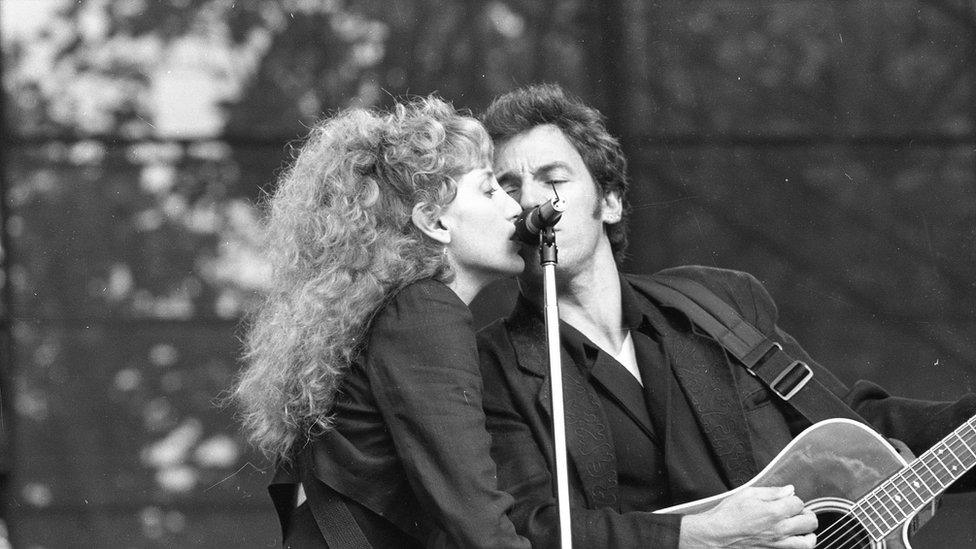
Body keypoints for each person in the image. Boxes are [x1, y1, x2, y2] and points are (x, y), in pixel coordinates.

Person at [475, 83, 976, 548]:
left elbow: (844, 424)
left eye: (552, 178)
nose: (531, 201)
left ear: (609, 202)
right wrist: (698, 536)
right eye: (508, 187)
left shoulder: (718, 300)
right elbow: (527, 529)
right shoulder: (491, 369)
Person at [232, 96, 531, 548]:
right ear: (433, 222)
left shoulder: (399, 311)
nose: (514, 207)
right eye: (490, 190)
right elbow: (471, 509)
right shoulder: (426, 312)